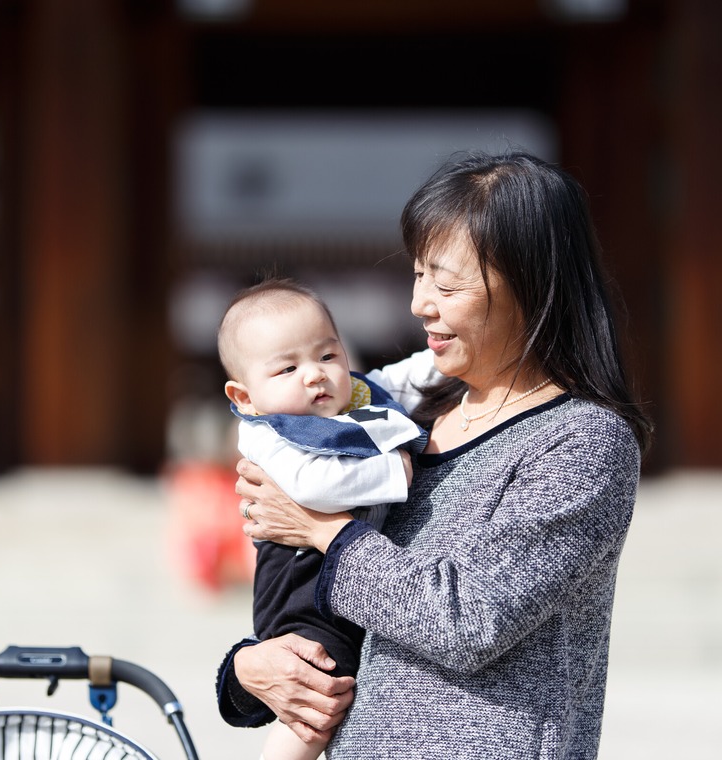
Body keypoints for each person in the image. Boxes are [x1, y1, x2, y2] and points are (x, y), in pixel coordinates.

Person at [214, 150, 653, 759]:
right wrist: (249, 669)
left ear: (530, 285)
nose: (421, 303)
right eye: (419, 275)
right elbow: (325, 606)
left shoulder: (581, 441)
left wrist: (323, 529)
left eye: (447, 283)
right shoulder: (402, 415)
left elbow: (466, 621)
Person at [216, 278, 430, 760]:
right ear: (244, 396)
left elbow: (409, 376)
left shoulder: (355, 402)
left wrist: (445, 359)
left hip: (337, 580)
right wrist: (392, 471)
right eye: (288, 368)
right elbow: (314, 486)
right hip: (300, 587)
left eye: (328, 356)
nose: (315, 375)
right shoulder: (266, 434)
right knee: (317, 700)